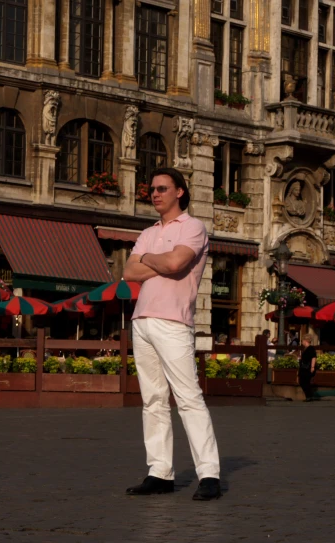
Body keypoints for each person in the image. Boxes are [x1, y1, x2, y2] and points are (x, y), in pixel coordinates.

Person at [122, 167, 221, 501]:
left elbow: (177, 263)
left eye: (162, 188)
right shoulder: (149, 230)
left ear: (180, 192)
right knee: (152, 401)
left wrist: (150, 259)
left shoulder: (193, 227)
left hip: (174, 322)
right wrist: (158, 260)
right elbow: (128, 271)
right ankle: (160, 472)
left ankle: (209, 474)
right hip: (142, 321)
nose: (155, 194)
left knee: (189, 398)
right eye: (152, 189)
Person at [298, 334, 317, 401]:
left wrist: (312, 367)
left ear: (305, 341)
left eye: (302, 341)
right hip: (303, 368)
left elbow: (313, 358)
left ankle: (309, 396)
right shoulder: (305, 349)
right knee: (303, 382)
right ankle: (309, 396)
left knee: (305, 382)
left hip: (307, 368)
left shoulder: (311, 348)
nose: (301, 342)